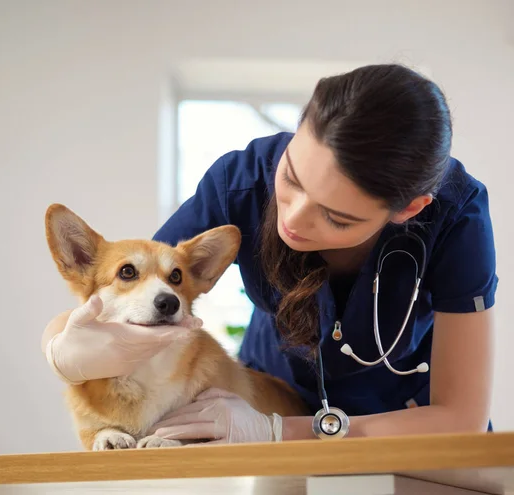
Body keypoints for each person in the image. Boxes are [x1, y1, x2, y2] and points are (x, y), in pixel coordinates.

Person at [42, 64, 498, 444]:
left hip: (406, 424)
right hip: (266, 396)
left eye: (337, 218)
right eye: (293, 178)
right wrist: (63, 350)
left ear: (410, 209)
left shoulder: (456, 217)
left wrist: (278, 431)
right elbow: (133, 297)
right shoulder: (239, 183)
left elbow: (462, 418)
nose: (295, 220)